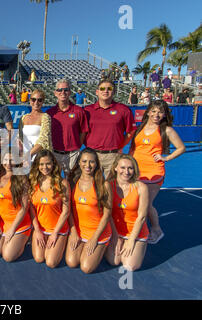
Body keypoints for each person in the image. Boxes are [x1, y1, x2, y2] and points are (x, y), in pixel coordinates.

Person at [130, 100, 185, 244]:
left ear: (164, 114)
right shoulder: (139, 128)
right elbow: (133, 149)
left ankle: (156, 229)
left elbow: (181, 148)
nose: (156, 114)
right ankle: (138, 230)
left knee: (146, 204)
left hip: (154, 172)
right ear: (148, 112)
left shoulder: (166, 130)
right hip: (136, 172)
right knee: (135, 203)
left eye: (160, 112)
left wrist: (166, 158)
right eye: (153, 111)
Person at [65, 148, 112, 274]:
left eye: (91, 162)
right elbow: (68, 210)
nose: (88, 165)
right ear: (79, 163)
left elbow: (107, 215)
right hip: (79, 231)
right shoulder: (72, 182)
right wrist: (74, 232)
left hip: (98, 233)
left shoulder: (103, 185)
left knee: (86, 268)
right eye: (84, 161)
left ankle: (105, 246)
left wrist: (94, 239)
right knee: (71, 262)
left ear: (96, 164)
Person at [105, 154, 149, 271]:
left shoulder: (141, 187)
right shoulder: (109, 185)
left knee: (129, 266)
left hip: (136, 232)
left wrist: (131, 240)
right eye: (123, 168)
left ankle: (141, 244)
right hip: (116, 231)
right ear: (115, 168)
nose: (127, 171)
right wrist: (115, 236)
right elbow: (108, 214)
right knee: (114, 261)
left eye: (130, 168)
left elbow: (142, 217)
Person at [84, 79, 136, 178]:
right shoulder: (87, 110)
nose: (105, 91)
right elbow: (81, 132)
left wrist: (120, 146)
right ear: (97, 92)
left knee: (113, 188)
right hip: (92, 155)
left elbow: (131, 131)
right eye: (102, 88)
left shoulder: (123, 110)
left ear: (114, 92)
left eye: (109, 88)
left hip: (113, 155)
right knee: (93, 187)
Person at [0, 148, 32, 262]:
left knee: (8, 256)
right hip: (3, 223)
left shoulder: (22, 179)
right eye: (6, 159)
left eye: (12, 160)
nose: (8, 163)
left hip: (20, 223)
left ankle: (25, 237)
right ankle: (12, 241)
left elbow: (24, 208)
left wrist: (12, 229)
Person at [29, 149, 70, 268]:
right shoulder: (33, 182)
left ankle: (64, 240)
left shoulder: (63, 183)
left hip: (58, 229)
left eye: (48, 164)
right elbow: (31, 209)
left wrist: (54, 234)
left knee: (50, 262)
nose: (45, 167)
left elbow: (66, 211)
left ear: (53, 164)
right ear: (37, 165)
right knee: (39, 258)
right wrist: (37, 230)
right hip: (41, 229)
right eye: (41, 164)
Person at [46, 79, 89, 177]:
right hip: (55, 153)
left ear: (69, 92)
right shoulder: (50, 113)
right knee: (55, 184)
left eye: (66, 89)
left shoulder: (78, 111)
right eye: (59, 90)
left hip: (73, 154)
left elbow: (83, 132)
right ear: (55, 93)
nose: (63, 92)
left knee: (72, 184)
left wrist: (76, 147)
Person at [18, 89, 52, 161]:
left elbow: (44, 140)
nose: (36, 102)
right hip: (24, 158)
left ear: (43, 102)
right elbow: (20, 138)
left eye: (39, 100)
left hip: (39, 158)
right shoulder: (24, 118)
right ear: (30, 101)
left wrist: (29, 155)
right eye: (33, 99)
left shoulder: (45, 117)